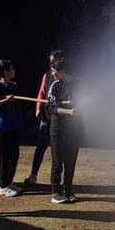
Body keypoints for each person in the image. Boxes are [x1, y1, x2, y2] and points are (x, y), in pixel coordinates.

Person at [25, 49, 63, 185]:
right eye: (50, 61)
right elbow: (41, 92)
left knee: (58, 150)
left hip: (60, 117)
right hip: (46, 117)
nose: (51, 64)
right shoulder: (46, 75)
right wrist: (38, 109)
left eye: (54, 61)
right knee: (41, 147)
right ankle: (33, 175)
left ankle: (57, 180)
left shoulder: (66, 77)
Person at [0, 59, 23, 197]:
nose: (14, 71)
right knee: (4, 157)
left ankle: (9, 182)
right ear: (5, 72)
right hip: (2, 127)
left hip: (13, 126)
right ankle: (3, 186)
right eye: (11, 69)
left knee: (15, 155)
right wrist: (5, 100)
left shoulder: (13, 86)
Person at [46, 57, 79, 204]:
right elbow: (52, 108)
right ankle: (56, 192)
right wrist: (68, 112)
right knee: (57, 162)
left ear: (63, 71)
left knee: (70, 162)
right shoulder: (55, 85)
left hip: (74, 129)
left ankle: (69, 190)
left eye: (55, 71)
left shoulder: (77, 84)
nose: (52, 74)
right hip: (58, 129)